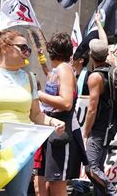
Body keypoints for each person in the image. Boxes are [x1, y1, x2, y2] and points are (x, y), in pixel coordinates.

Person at [0, 30, 65, 196]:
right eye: (23, 48)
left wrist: (52, 122)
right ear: (4, 47)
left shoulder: (29, 78)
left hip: (20, 149)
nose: (27, 53)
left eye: (28, 49)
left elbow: (36, 114)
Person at [36, 32, 86, 196]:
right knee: (44, 184)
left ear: (52, 51)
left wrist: (39, 94)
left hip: (61, 130)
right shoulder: (58, 70)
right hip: (51, 130)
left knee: (57, 186)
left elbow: (66, 103)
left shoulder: (65, 70)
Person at [83, 39, 117, 195]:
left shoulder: (95, 77)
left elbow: (92, 109)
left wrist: (86, 130)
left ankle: (113, 191)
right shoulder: (112, 71)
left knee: (91, 167)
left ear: (91, 55)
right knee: (99, 166)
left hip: (99, 128)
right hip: (110, 126)